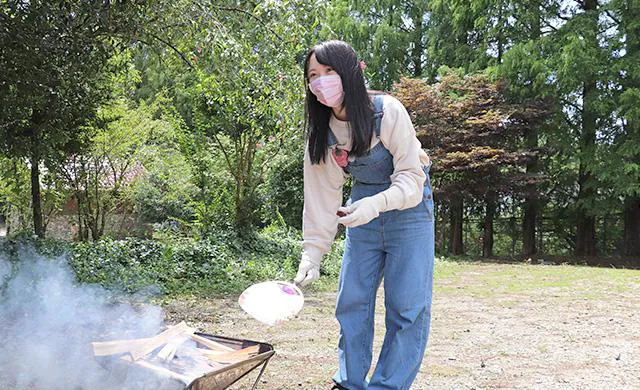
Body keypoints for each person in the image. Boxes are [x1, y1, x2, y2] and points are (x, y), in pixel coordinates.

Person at [293, 40, 435, 390]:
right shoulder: (322, 131)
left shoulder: (387, 111)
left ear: (353, 72)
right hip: (361, 210)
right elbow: (323, 195)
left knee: (407, 307)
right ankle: (348, 382)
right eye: (313, 75)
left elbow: (412, 179)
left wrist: (375, 204)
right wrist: (312, 252)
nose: (321, 81)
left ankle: (387, 385)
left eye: (329, 72)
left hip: (409, 209)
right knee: (352, 301)